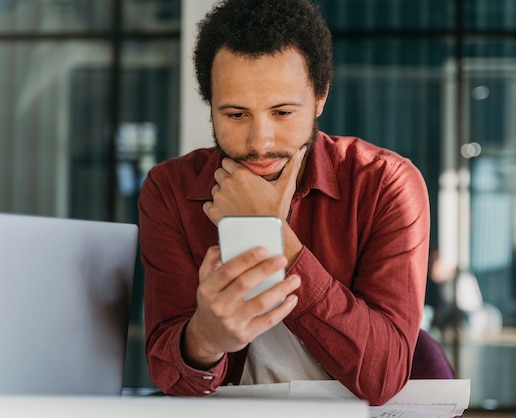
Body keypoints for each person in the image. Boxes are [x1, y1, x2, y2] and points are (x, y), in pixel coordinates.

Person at [138, 0, 430, 406]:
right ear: (211, 104)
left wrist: (271, 232)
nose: (261, 142)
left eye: (282, 112)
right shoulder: (169, 189)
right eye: (237, 115)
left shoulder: (385, 183)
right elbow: (170, 374)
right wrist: (205, 339)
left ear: (320, 98)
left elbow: (383, 375)